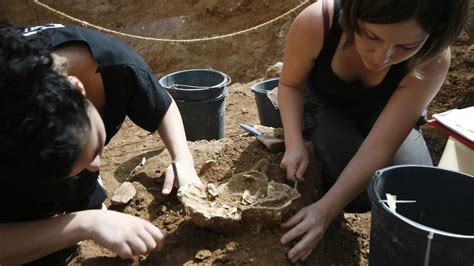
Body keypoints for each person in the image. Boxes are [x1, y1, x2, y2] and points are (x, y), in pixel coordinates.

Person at [277, 0, 469, 263]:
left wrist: (325, 211)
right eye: (371, 36)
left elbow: (380, 146)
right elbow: (290, 85)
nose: (381, 57)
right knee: (356, 193)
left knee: (407, 192)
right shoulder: (317, 23)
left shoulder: (432, 59)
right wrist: (294, 141)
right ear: (354, 15)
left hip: (385, 113)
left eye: (405, 46)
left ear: (434, 35)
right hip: (326, 105)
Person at [0, 21, 201, 265]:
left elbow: (160, 105)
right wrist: (85, 224)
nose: (97, 166)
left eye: (95, 149)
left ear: (78, 88)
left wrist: (183, 159)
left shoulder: (113, 63)